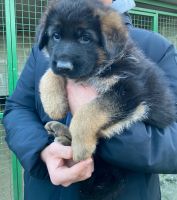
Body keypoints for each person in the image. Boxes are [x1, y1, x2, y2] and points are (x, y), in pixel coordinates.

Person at [3, 0, 177, 199]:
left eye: (86, 38)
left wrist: (88, 122)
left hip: (121, 188)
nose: (62, 58)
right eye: (56, 36)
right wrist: (40, 151)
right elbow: (18, 107)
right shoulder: (40, 52)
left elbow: (169, 133)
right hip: (47, 190)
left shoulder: (156, 47)